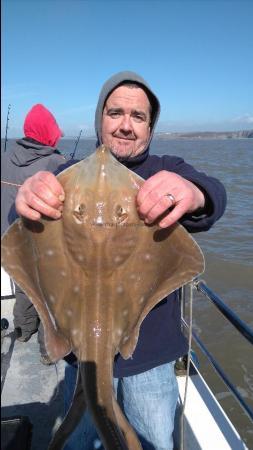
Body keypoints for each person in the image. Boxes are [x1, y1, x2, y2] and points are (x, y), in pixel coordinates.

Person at [14, 72, 227, 449]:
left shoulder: (167, 168)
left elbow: (214, 197)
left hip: (151, 355)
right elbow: (19, 233)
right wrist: (28, 198)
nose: (126, 125)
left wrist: (192, 193)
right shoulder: (65, 174)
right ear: (100, 118)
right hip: (80, 355)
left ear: (150, 127)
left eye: (138, 116)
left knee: (153, 439)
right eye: (115, 113)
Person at [1, 103, 65, 365]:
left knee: (24, 287)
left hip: (9, 241)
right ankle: (47, 348)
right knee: (47, 296)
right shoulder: (57, 162)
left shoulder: (4, 159)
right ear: (50, 132)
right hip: (40, 243)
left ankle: (24, 330)